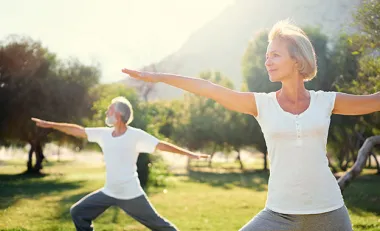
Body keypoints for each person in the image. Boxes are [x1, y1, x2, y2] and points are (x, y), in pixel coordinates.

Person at [121, 20, 380, 231]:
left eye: (275, 55)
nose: (267, 61)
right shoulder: (261, 104)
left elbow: (375, 101)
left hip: (329, 212)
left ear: (297, 61)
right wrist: (158, 77)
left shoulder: (326, 102)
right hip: (279, 214)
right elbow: (208, 89)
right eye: (266, 56)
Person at [32, 96, 209, 231]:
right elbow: (77, 130)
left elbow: (161, 145)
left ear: (119, 114)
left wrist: (191, 154)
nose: (106, 113)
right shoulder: (104, 134)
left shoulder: (136, 135)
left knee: (160, 226)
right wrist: (50, 124)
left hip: (131, 194)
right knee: (78, 212)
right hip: (109, 191)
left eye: (110, 110)